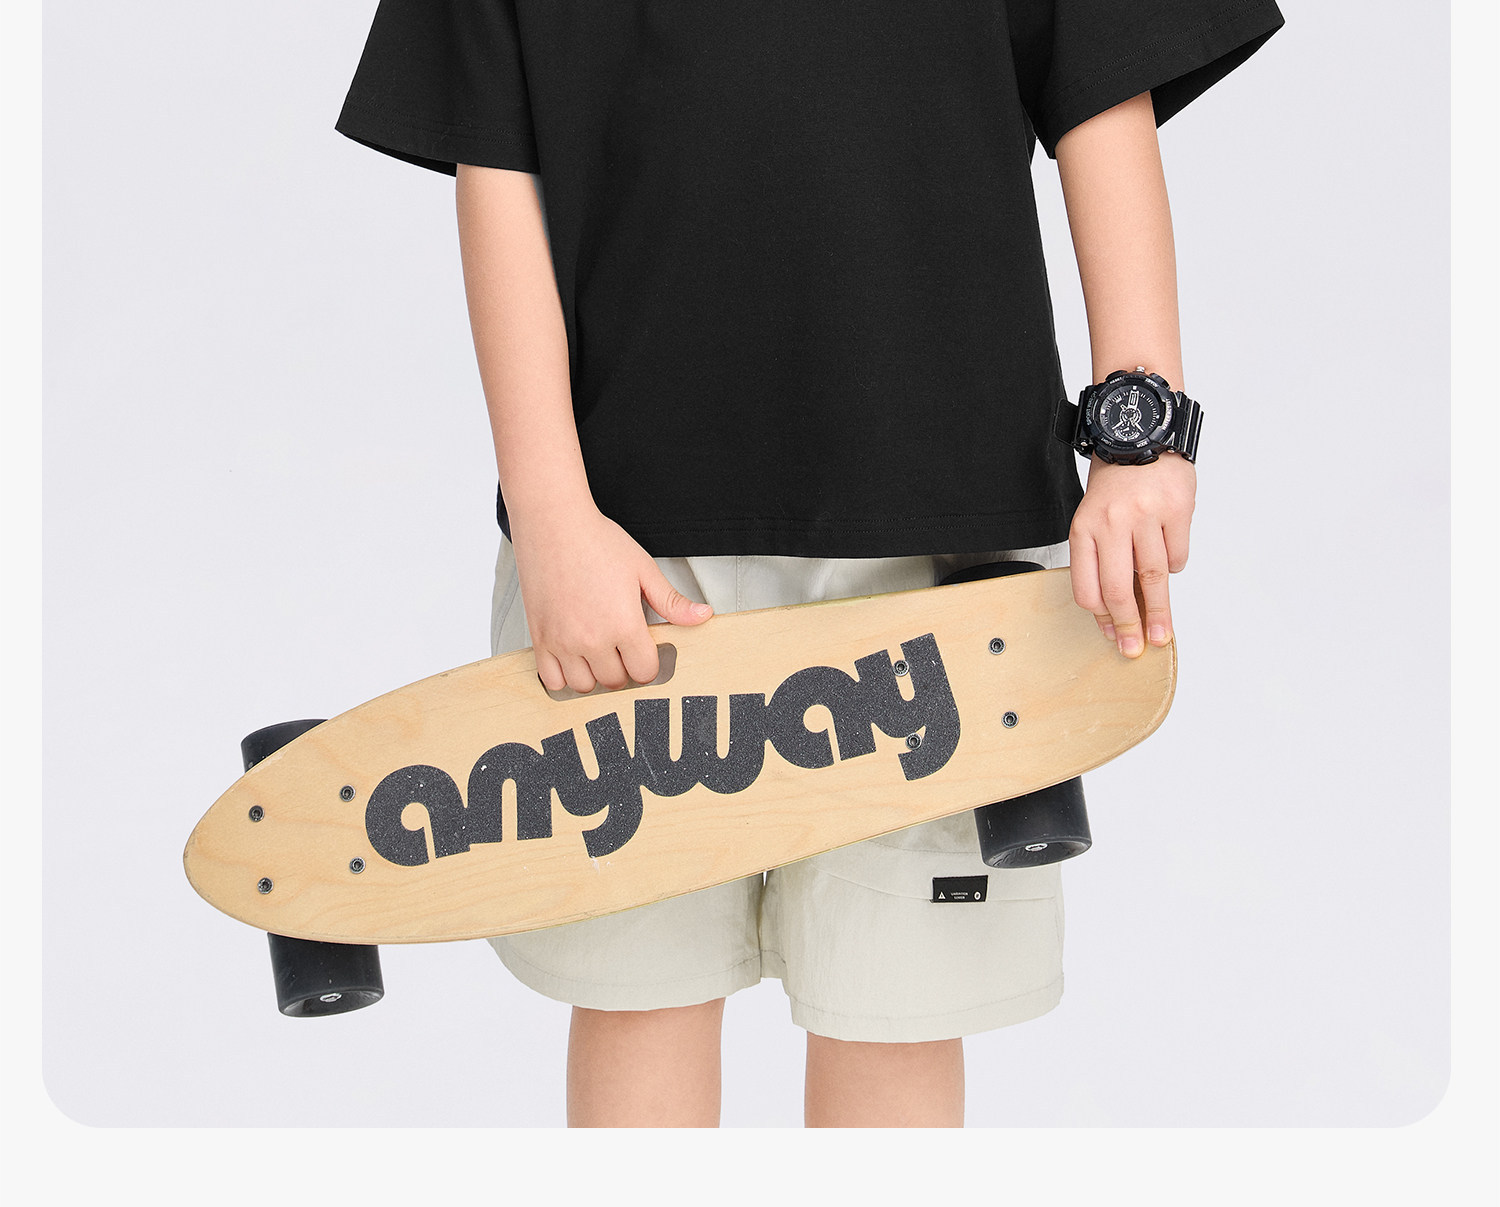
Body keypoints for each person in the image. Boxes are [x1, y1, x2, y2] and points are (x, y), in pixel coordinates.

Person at [334, 0, 1285, 1127]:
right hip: (629, 553)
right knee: (641, 1001)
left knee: (898, 1015)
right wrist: (549, 513)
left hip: (946, 562)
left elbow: (1103, 74)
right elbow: (495, 151)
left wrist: (1142, 430)